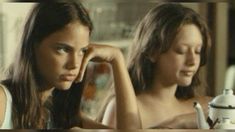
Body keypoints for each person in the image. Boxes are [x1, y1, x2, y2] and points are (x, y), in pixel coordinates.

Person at [0, 1, 141, 129]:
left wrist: (117, 58)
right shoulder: (3, 100)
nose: (74, 64)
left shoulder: (59, 114)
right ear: (33, 45)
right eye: (63, 49)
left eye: (82, 51)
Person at [101, 3, 212, 129]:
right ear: (152, 52)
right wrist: (177, 123)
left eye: (197, 51)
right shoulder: (122, 108)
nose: (192, 61)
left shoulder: (205, 107)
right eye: (181, 51)